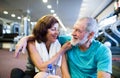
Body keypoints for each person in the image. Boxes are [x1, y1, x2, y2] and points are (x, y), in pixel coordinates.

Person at [15, 17, 112, 78]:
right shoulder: (68, 42)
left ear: (90, 35)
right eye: (74, 28)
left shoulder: (103, 51)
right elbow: (44, 35)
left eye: (78, 30)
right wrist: (25, 39)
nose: (73, 33)